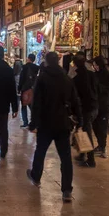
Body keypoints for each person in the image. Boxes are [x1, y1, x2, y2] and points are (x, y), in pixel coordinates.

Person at [26, 52, 82, 203]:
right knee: (65, 157)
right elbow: (75, 101)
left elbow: (36, 103)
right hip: (63, 123)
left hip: (45, 123)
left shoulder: (42, 79)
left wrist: (33, 123)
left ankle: (36, 176)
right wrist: (80, 120)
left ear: (46, 62)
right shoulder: (67, 79)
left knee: (40, 151)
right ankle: (67, 190)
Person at [73, 54, 99, 168]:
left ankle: (91, 159)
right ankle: (82, 154)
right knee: (84, 131)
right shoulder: (91, 75)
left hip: (85, 109)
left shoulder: (77, 79)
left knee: (86, 132)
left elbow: (75, 96)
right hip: (94, 106)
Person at [92, 55, 109, 158]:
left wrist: (98, 87)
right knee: (95, 126)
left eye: (96, 64)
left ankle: (103, 147)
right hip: (96, 105)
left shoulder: (108, 75)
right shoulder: (95, 75)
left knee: (102, 127)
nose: (95, 66)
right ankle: (100, 146)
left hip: (104, 105)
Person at [18, 54, 39, 128]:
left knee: (24, 106)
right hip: (33, 89)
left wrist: (19, 89)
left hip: (25, 89)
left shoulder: (25, 67)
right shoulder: (37, 68)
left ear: (28, 58)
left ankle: (25, 122)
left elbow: (21, 79)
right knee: (32, 106)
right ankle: (34, 121)